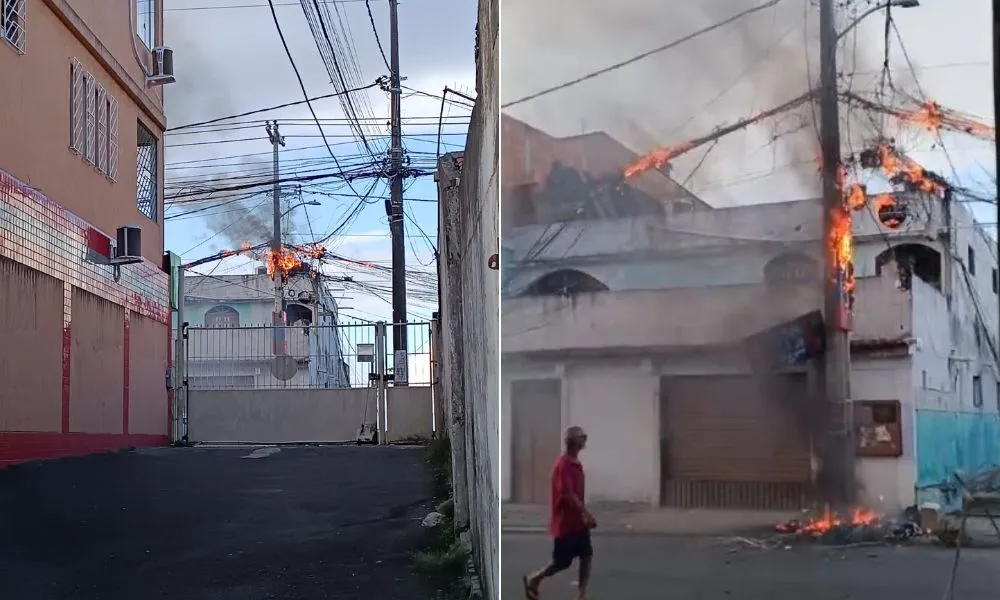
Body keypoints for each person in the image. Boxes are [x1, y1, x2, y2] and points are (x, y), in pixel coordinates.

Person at [523, 426, 595, 600]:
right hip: (565, 524)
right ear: (574, 442)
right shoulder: (563, 465)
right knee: (561, 563)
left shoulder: (576, 464)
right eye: (582, 437)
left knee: (586, 555)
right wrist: (586, 513)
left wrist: (583, 516)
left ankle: (581, 595)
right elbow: (568, 495)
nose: (585, 440)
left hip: (577, 523)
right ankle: (534, 579)